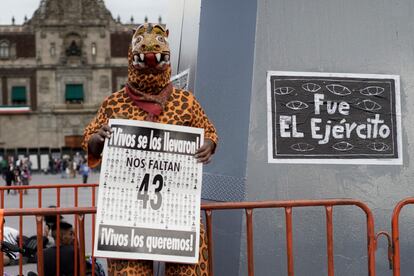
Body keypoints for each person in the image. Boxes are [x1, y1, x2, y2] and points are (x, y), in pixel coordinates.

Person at [82, 23, 217, 275]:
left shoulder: (185, 102)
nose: (152, 45)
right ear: (131, 56)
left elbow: (208, 130)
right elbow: (90, 137)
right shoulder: (113, 103)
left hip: (178, 212)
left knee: (190, 269)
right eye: (143, 40)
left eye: (158, 40)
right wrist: (96, 141)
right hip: (126, 216)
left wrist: (209, 144)